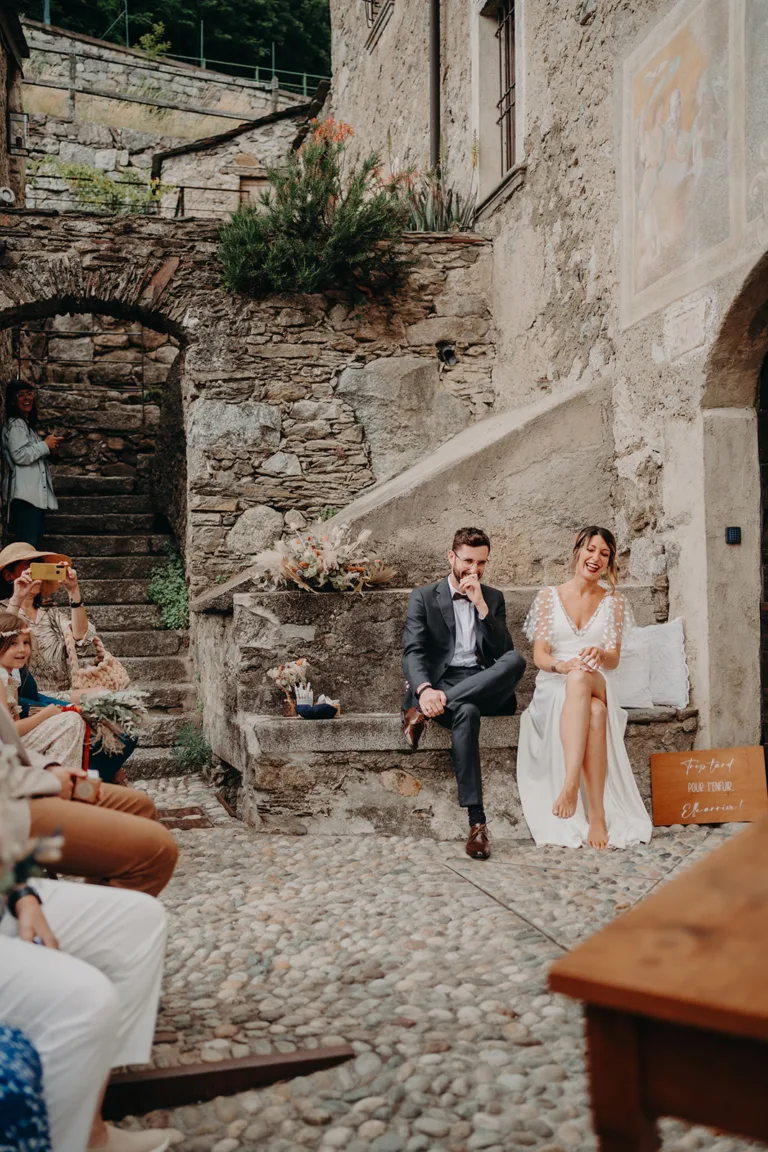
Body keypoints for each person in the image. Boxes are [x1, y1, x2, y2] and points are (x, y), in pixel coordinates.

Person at [0, 768, 173, 1152]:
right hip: (15, 802)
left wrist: (20, 891)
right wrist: (51, 779)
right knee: (87, 999)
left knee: (139, 919)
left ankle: (91, 1109)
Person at [517, 526, 653, 850]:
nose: (596, 558)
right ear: (577, 551)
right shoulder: (548, 597)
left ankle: (570, 784)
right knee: (595, 712)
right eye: (591, 550)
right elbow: (540, 656)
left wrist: (600, 655)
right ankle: (597, 815)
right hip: (556, 681)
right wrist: (561, 666)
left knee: (581, 678)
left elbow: (614, 660)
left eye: (604, 554)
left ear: (609, 562)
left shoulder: (614, 602)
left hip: (599, 679)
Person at [401, 526, 526, 860]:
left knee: (516, 660)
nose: (474, 569)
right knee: (466, 712)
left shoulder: (493, 597)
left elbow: (503, 654)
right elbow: (412, 652)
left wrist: (481, 605)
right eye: (468, 561)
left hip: (485, 681)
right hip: (443, 683)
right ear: (451, 557)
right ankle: (477, 824)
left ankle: (421, 714)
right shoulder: (424, 597)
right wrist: (425, 689)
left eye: (481, 562)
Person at [0, 676, 177, 897]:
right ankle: (100, 910)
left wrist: (49, 768)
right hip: (12, 803)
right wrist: (47, 780)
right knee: (158, 849)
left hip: (29, 776)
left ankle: (98, 895)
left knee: (140, 805)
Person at [0, 544, 138, 782]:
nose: (35, 571)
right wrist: (18, 598)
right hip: (24, 696)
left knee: (120, 719)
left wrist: (74, 592)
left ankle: (97, 778)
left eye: (39, 566)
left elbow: (81, 637)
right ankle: (90, 784)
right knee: (88, 722)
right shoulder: (5, 610)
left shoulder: (51, 614)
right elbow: (3, 637)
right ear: (9, 575)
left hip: (61, 691)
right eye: (28, 566)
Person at [2, 379, 62, 549]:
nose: (26, 398)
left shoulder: (26, 425)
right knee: (28, 546)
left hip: (32, 496)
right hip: (25, 496)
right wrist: (45, 445)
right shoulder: (16, 424)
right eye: (20, 395)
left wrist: (50, 449)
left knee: (32, 546)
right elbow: (19, 455)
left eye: (29, 394)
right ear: (12, 401)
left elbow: (30, 453)